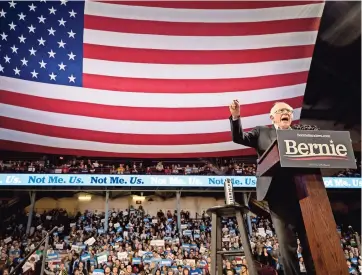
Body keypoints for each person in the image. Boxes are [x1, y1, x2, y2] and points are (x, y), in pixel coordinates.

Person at [228, 100, 316, 275]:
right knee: (287, 246)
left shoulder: (301, 133)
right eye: (281, 110)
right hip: (278, 197)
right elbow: (239, 138)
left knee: (311, 244)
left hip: (305, 194)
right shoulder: (262, 132)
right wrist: (236, 116)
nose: (286, 113)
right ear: (272, 117)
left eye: (289, 111)